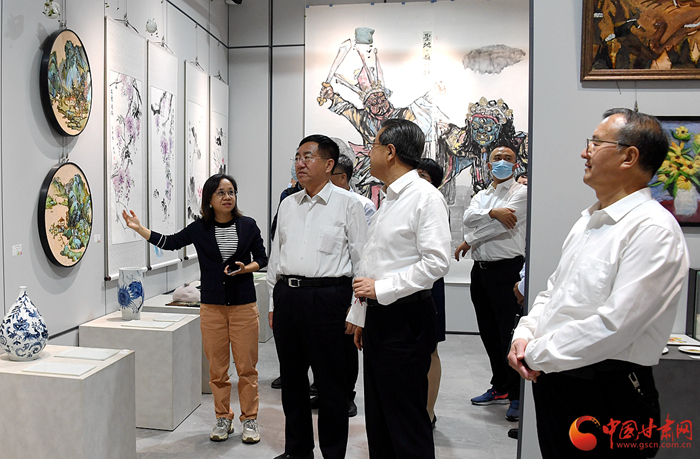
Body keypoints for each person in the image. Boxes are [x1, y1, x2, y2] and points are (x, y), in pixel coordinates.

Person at [509, 108, 689, 458]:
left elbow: (615, 325)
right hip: (558, 379)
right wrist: (524, 334)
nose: (584, 152)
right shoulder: (590, 221)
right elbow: (553, 292)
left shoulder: (652, 229)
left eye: (595, 143)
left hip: (607, 393)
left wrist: (536, 353)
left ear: (629, 157)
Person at [122, 174, 267, 444]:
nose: (228, 197)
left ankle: (250, 419)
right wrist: (139, 229)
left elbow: (262, 257)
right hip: (212, 307)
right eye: (221, 192)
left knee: (247, 368)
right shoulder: (199, 228)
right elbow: (169, 242)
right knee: (217, 369)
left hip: (243, 305)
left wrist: (245, 268)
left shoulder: (247, 225)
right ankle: (223, 418)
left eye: (231, 192)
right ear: (209, 199)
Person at [348, 119, 451, 459]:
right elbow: (374, 260)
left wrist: (382, 290)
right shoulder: (390, 198)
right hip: (381, 317)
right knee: (380, 419)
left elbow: (436, 263)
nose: (370, 152)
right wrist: (363, 315)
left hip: (406, 319)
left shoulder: (425, 197)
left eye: (374, 145)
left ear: (390, 152)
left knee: (405, 422)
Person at [267, 134, 367, 459]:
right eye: (297, 157)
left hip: (330, 299)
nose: (300, 163)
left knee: (331, 385)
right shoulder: (287, 204)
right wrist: (273, 303)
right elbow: (276, 258)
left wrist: (358, 311)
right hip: (288, 297)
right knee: (292, 381)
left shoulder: (349, 204)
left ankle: (333, 453)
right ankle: (297, 451)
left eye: (308, 156)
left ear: (328, 164)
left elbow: (363, 261)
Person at [455, 145, 527, 423]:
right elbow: (467, 218)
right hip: (481, 271)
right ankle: (500, 386)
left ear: (515, 164)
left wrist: (471, 238)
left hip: (507, 270)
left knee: (509, 333)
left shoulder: (521, 192)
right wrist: (493, 212)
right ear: (488, 164)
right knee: (488, 331)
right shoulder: (481, 195)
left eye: (508, 158)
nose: (502, 162)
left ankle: (517, 394)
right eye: (497, 158)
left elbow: (501, 226)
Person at [416, 157, 447, 429]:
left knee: (431, 349)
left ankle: (428, 412)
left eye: (423, 176)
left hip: (430, 284)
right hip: (404, 286)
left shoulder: (433, 201)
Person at [330, 154, 376, 225]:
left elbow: (366, 231)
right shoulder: (320, 203)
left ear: (343, 178)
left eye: (329, 174)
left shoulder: (365, 206)